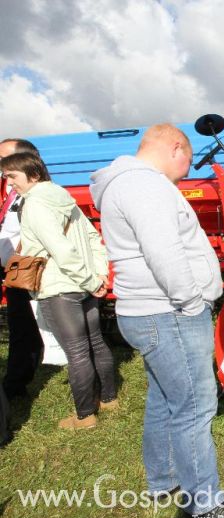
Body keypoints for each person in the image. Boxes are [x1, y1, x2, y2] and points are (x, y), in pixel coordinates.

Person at [89, 124, 224, 518]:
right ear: (176, 146)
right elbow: (165, 252)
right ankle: (206, 503)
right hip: (169, 311)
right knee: (195, 405)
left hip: (146, 311)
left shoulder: (122, 184)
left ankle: (163, 479)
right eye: (187, 159)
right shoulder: (146, 186)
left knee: (164, 397)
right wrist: (193, 302)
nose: (186, 168)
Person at [1, 152, 115, 430]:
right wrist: (97, 275)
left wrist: (90, 279)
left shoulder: (36, 204)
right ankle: (109, 399)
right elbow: (92, 238)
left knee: (76, 352)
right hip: (82, 283)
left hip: (59, 286)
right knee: (96, 343)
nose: (9, 184)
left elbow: (60, 250)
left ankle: (84, 416)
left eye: (12, 177)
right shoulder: (63, 197)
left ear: (34, 174)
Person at [0, 139, 44, 400]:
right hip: (8, 266)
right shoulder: (9, 188)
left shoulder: (35, 194)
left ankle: (15, 384)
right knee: (20, 326)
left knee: (24, 327)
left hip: (22, 268)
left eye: (3, 159)